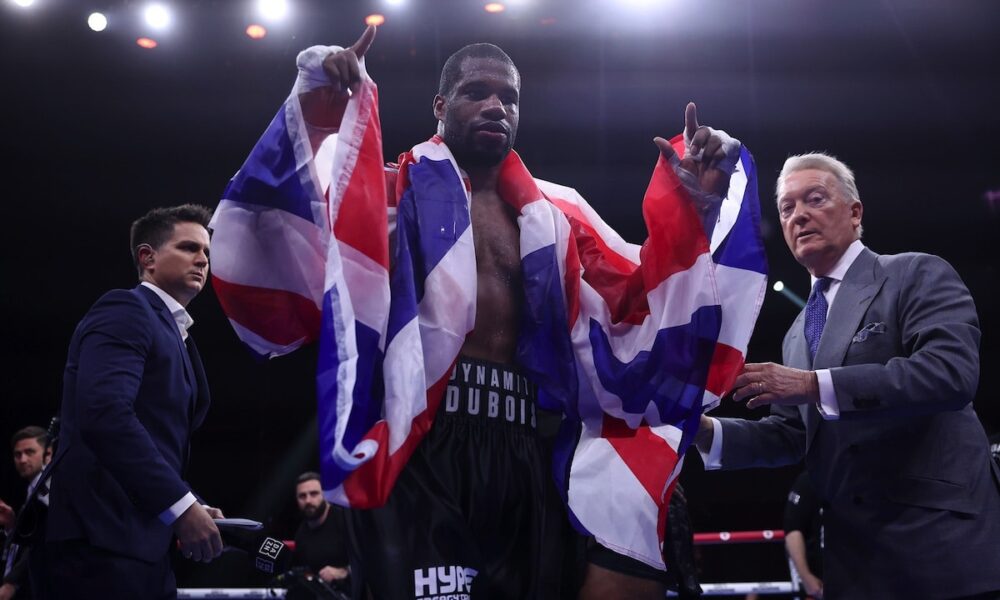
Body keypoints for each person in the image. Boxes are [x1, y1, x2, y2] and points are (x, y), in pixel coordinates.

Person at [215, 26, 757, 599]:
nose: (496, 105)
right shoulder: (387, 197)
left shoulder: (557, 215)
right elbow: (276, 239)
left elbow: (638, 300)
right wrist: (314, 101)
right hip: (421, 445)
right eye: (477, 92)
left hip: (523, 448)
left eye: (510, 97)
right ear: (440, 106)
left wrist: (697, 206)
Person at [695, 152, 1000, 598]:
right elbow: (792, 435)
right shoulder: (798, 333)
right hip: (854, 562)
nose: (799, 215)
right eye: (786, 208)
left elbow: (950, 374)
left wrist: (811, 384)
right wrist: (704, 432)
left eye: (814, 199)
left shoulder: (915, 273)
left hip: (939, 546)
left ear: (855, 212)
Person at [40, 204, 224, 599]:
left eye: (207, 252)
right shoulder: (126, 309)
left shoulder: (174, 332)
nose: (202, 259)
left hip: (141, 541)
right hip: (100, 543)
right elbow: (105, 414)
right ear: (148, 258)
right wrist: (179, 505)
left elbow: (157, 442)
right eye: (189, 247)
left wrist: (190, 503)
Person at [1, 427, 53, 600]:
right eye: (18, 454)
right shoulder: (34, 490)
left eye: (29, 452)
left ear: (48, 454)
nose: (22, 459)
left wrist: (11, 583)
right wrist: (12, 526)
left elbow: (42, 541)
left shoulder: (49, 489)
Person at [287, 472, 351, 600]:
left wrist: (343, 572)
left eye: (314, 494)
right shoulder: (302, 532)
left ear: (325, 495)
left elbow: (372, 561)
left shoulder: (345, 521)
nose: (308, 501)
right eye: (302, 496)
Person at [783, 471, 822, 600]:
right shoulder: (810, 480)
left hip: (860, 576)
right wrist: (806, 577)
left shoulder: (862, 479)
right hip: (819, 580)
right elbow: (793, 528)